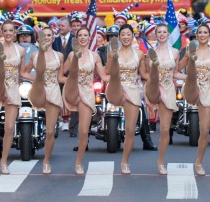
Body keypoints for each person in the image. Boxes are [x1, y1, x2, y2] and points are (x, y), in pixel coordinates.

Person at [177, 23, 210, 176]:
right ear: (197, 35)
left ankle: (198, 162)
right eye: (200, 32)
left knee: (204, 130)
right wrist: (189, 77)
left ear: (209, 35)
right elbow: (175, 70)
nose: (203, 35)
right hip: (192, 88)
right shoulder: (189, 52)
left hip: (207, 90)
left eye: (206, 32)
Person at [63, 26, 106, 176]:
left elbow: (104, 77)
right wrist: (70, 82)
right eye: (80, 35)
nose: (82, 37)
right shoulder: (70, 54)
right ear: (76, 38)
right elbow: (61, 74)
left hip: (87, 92)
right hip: (73, 89)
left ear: (89, 38)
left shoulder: (95, 56)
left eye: (85, 35)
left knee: (83, 131)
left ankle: (78, 162)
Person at [107, 23, 149, 176]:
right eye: (123, 34)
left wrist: (159, 76)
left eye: (128, 34)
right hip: (116, 88)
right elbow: (107, 72)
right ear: (119, 37)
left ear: (133, 36)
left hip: (132, 90)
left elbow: (144, 74)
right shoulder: (113, 53)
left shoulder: (139, 54)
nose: (125, 37)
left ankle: (124, 161)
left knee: (130, 130)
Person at [0, 21, 28, 175]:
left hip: (13, 89)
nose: (7, 33)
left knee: (9, 128)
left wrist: (39, 79)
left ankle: (3, 162)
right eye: (4, 30)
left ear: (15, 33)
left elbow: (22, 74)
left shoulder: (20, 51)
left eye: (10, 30)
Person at [146, 22, 180, 175]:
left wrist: (191, 77)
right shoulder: (150, 52)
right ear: (155, 34)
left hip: (168, 89)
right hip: (154, 87)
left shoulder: (175, 52)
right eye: (159, 32)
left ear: (168, 34)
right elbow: (147, 74)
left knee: (165, 129)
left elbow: (176, 74)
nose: (161, 34)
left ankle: (160, 161)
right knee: (148, 124)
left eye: (164, 32)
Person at [32, 25, 65, 174]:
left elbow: (60, 77)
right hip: (38, 91)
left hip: (53, 91)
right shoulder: (34, 55)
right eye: (43, 35)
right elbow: (24, 72)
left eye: (49, 35)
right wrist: (37, 79)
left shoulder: (59, 56)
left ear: (53, 38)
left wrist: (74, 80)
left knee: (50, 131)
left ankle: (46, 160)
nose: (46, 38)